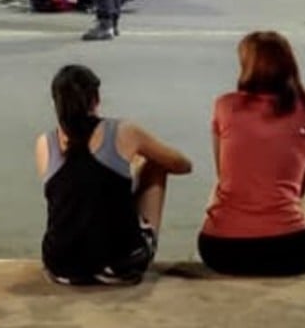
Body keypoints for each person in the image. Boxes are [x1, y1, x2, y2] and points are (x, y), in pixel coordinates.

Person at [37, 65, 192, 286]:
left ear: (57, 104)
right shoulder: (123, 131)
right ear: (96, 99)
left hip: (61, 265)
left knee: (87, 194)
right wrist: (138, 162)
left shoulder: (45, 143)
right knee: (156, 165)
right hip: (120, 263)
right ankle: (130, 249)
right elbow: (181, 165)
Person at [198, 32, 305, 277]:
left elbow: (222, 172)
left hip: (220, 250)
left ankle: (226, 224)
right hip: (291, 249)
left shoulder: (225, 105)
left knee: (226, 181)